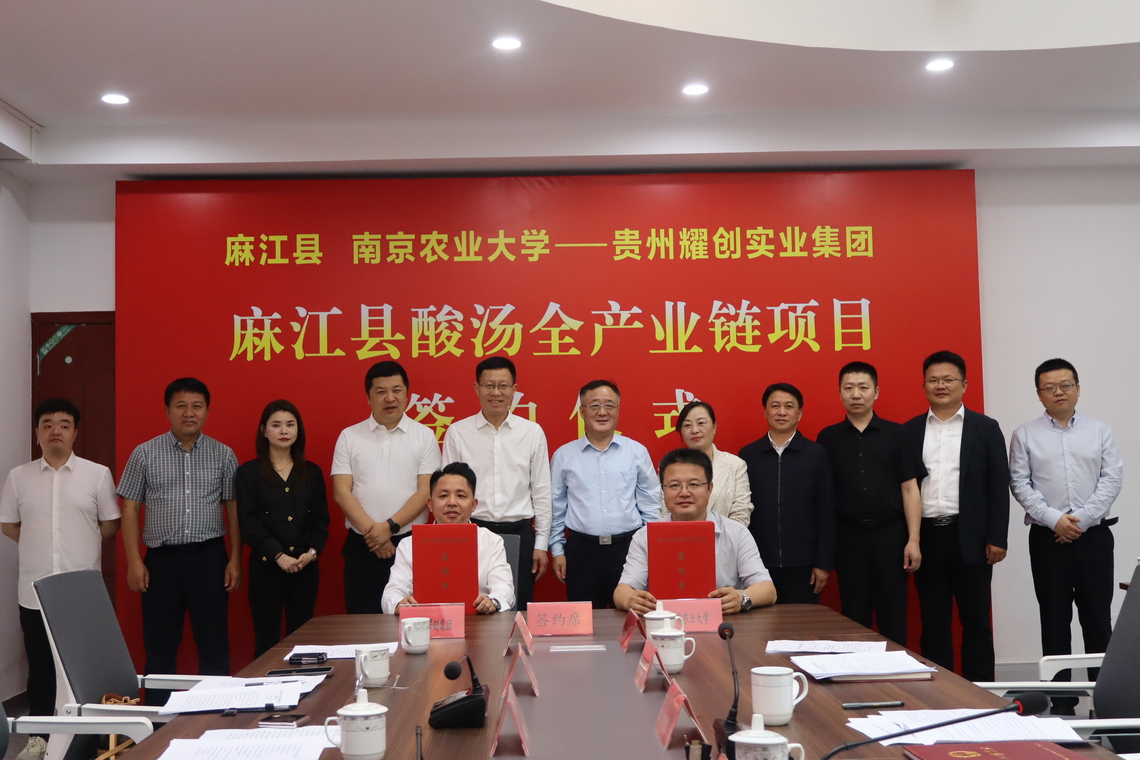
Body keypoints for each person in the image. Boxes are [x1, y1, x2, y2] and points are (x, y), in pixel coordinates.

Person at [1, 399, 120, 760]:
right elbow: (9, 524)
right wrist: (40, 544)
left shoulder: (97, 474)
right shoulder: (19, 477)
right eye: (48, 424)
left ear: (75, 433)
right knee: (40, 668)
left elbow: (109, 524)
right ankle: (39, 738)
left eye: (64, 424)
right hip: (34, 590)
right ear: (37, 433)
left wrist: (77, 544)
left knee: (85, 668)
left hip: (81, 592)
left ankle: (90, 737)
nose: (56, 430)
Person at [118, 378, 241, 704]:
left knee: (214, 646)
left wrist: (235, 559)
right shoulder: (144, 453)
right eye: (181, 406)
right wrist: (134, 561)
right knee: (160, 648)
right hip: (162, 562)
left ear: (207, 411)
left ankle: (216, 715)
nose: (189, 412)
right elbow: (130, 508)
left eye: (197, 406)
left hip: (209, 558)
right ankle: (158, 723)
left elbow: (233, 508)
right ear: (167, 411)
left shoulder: (223, 454)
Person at [1009, 358, 1123, 713]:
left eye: (1065, 385)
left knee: (1097, 620)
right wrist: (1055, 520)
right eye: (1050, 387)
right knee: (1054, 621)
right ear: (1039, 394)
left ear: (1077, 388)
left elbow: (1111, 479)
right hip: (1048, 540)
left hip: (1094, 538)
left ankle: (1105, 701)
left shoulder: (1100, 431)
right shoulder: (1024, 434)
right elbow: (1020, 483)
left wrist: (1081, 521)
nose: (1058, 392)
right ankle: (1061, 703)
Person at [903, 351, 1009, 681]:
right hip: (928, 537)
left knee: (976, 623)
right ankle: (941, 694)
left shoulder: (986, 428)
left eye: (948, 379)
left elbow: (998, 485)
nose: (941, 385)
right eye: (933, 380)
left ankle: (983, 694)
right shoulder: (910, 431)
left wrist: (997, 537)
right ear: (923, 386)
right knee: (933, 623)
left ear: (964, 384)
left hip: (972, 536)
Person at [817, 362, 924, 647]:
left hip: (891, 536)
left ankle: (896, 672)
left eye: (863, 387)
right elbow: (824, 496)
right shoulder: (827, 438)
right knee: (854, 617)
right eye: (849, 388)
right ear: (839, 393)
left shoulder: (898, 434)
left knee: (894, 616)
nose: (856, 394)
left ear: (876, 392)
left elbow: (910, 489)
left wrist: (914, 540)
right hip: (848, 538)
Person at [442, 356, 551, 609]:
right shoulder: (458, 432)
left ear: (514, 389)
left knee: (518, 608)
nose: (496, 393)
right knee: (472, 607)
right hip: (473, 533)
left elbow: (542, 491)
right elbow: (447, 492)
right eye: (489, 386)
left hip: (520, 532)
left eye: (503, 386)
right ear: (477, 388)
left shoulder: (531, 432)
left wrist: (541, 543)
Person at [332, 360, 440, 614]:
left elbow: (426, 490)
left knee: (412, 621)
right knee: (362, 623)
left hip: (410, 546)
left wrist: (389, 527)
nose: (390, 398)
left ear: (407, 394)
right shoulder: (350, 436)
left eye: (397, 390)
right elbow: (341, 492)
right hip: (363, 545)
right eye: (381, 391)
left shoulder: (424, 435)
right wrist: (375, 535)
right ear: (368, 397)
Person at [614, 448, 776, 615]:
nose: (684, 493)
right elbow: (622, 591)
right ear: (663, 490)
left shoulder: (736, 533)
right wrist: (630, 599)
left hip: (724, 623)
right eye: (674, 485)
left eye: (693, 484)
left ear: (709, 488)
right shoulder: (645, 536)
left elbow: (767, 589)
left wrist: (742, 598)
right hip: (664, 625)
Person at [550, 380, 662, 608]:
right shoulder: (564, 455)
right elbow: (556, 508)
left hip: (629, 549)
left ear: (618, 411)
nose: (602, 412)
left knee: (632, 614)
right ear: (582, 411)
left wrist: (650, 549)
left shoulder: (636, 452)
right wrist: (557, 550)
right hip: (581, 552)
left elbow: (651, 505)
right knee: (584, 619)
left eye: (609, 405)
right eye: (594, 406)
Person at [236, 400, 330, 658]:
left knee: (302, 642)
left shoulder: (312, 472)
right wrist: (277, 555)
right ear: (264, 431)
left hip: (305, 568)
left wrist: (312, 552)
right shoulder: (248, 473)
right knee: (266, 642)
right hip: (267, 569)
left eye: (290, 424)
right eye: (276, 425)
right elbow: (248, 522)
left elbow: (321, 520)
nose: (284, 430)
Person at [739, 383, 837, 604]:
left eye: (789, 406)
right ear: (765, 411)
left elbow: (827, 511)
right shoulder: (748, 455)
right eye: (775, 406)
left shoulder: (817, 455)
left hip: (804, 565)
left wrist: (823, 563)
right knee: (762, 623)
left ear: (799, 413)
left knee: (800, 622)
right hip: (758, 563)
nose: (781, 412)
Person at [382, 462, 515, 614]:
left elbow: (504, 589)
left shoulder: (491, 541)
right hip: (424, 622)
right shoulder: (409, 544)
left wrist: (492, 602)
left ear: (474, 505)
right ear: (430, 504)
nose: (452, 502)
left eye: (461, 496)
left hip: (478, 621)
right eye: (443, 496)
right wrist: (399, 603)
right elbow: (392, 592)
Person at [675, 400, 753, 525]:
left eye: (701, 423)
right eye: (687, 425)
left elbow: (741, 513)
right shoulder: (671, 468)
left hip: (726, 536)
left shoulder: (735, 465)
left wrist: (716, 535)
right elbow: (664, 512)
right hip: (680, 535)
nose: (694, 430)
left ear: (714, 427)